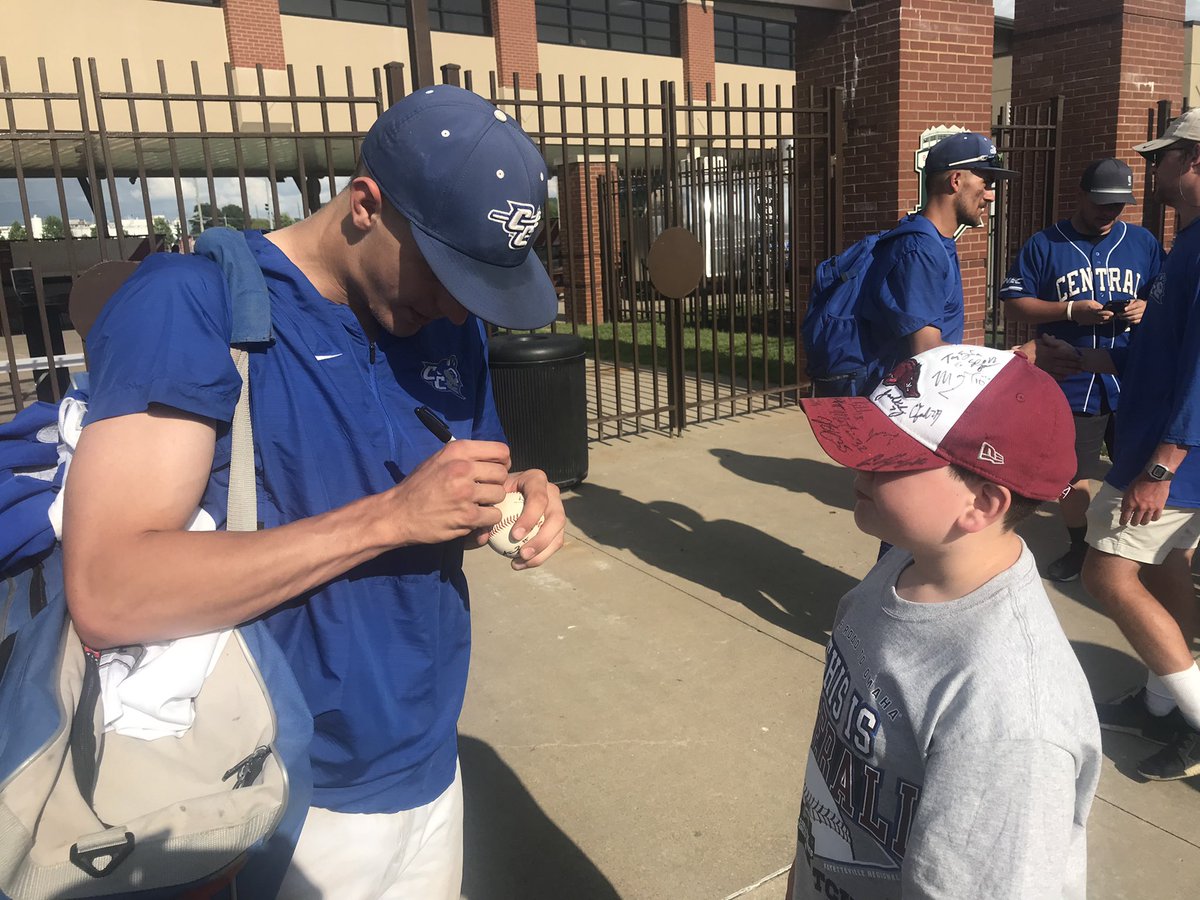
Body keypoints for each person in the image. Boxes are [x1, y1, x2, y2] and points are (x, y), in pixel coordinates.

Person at [60, 85, 566, 898]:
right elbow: (110, 590)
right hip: (279, 791)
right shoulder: (191, 307)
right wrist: (392, 518)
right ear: (365, 205)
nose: (452, 305)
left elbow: (447, 480)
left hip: (430, 764)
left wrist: (513, 495)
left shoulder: (445, 322)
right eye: (440, 271)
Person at [788, 344, 1101, 898]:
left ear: (981, 504)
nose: (857, 463)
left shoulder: (1010, 715)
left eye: (890, 458)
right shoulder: (898, 570)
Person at [1056, 108, 1200, 782]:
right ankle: (1158, 704)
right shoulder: (1187, 241)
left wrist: (1165, 464)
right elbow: (1163, 354)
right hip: (1159, 443)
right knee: (1166, 569)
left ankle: (1193, 713)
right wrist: (1089, 363)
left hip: (1171, 456)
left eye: (1162, 158)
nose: (1153, 171)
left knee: (1105, 572)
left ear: (1195, 160)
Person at [1000, 158, 1164, 583]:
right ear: (1081, 194)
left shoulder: (1143, 242)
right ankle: (1080, 547)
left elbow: (1165, 297)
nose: (1109, 212)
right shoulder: (1045, 244)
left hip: (1133, 373)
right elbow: (1015, 301)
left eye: (1118, 204)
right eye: (1101, 202)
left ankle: (1132, 553)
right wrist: (1070, 310)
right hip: (1070, 376)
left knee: (1141, 466)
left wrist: (1147, 307)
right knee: (1070, 476)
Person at [811, 132, 1016, 398]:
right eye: (986, 182)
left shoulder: (932, 241)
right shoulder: (921, 250)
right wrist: (1006, 361)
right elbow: (927, 350)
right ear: (955, 181)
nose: (990, 196)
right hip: (894, 409)